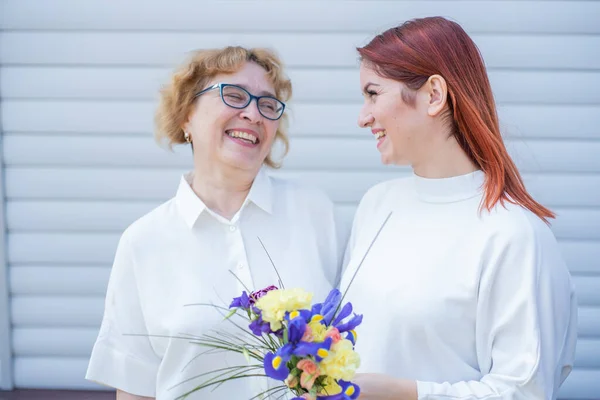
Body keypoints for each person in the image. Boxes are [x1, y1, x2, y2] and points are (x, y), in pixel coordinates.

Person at [86, 46, 342, 400]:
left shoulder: (315, 212)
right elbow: (135, 384)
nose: (253, 114)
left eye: (267, 105)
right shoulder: (143, 241)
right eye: (234, 96)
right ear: (186, 115)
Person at [341, 17, 577, 399]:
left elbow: (524, 392)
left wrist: (402, 393)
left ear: (434, 94)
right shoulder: (377, 205)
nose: (362, 116)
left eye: (373, 93)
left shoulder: (514, 234)